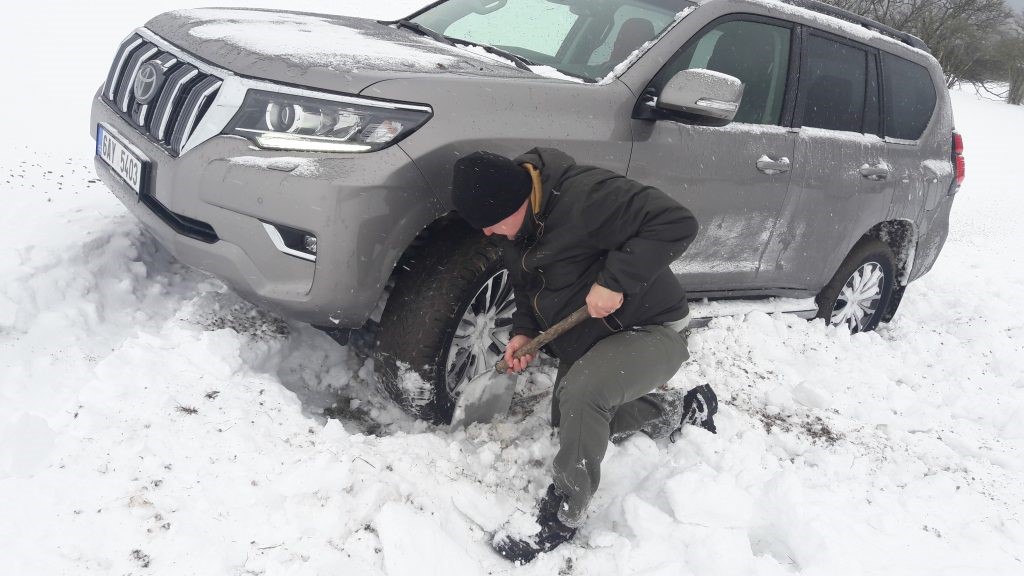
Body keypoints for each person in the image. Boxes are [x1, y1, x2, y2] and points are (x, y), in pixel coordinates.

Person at [450, 148, 718, 564]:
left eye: (490, 223)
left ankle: (562, 515)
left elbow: (677, 222)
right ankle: (679, 411)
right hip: (596, 336)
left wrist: (615, 281)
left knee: (583, 395)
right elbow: (527, 288)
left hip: (652, 328)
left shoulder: (585, 198)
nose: (487, 234)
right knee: (571, 422)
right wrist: (524, 332)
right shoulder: (516, 231)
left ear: (515, 202)